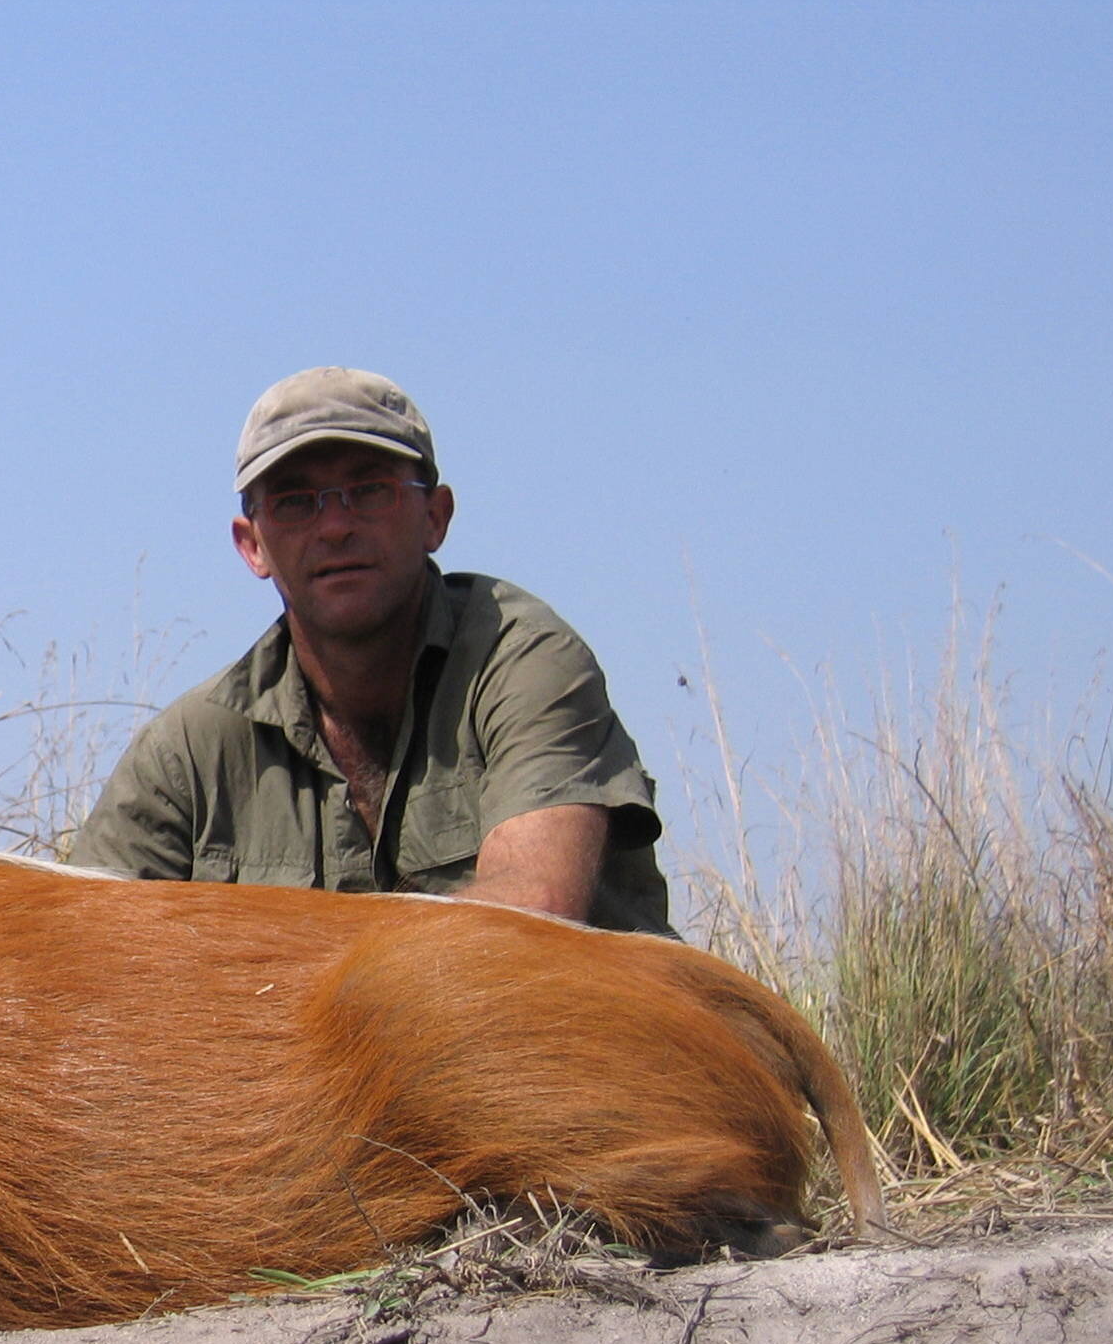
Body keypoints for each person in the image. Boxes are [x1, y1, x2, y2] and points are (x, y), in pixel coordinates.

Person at [69, 367, 673, 935]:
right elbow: (74, 949)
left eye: (369, 490)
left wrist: (254, 961)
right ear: (251, 546)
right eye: (295, 501)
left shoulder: (523, 659)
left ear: (436, 517)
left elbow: (530, 919)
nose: (335, 526)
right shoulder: (188, 754)